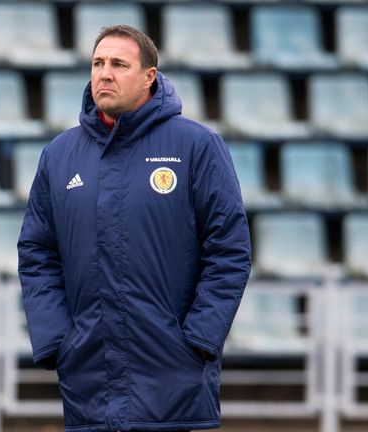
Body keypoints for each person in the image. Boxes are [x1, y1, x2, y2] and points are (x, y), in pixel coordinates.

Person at [18, 25, 251, 432]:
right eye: (98, 63)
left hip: (174, 379)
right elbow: (37, 253)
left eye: (119, 64)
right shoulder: (58, 156)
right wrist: (59, 340)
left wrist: (196, 341)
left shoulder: (196, 147)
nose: (104, 74)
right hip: (88, 378)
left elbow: (229, 251)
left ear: (150, 77)